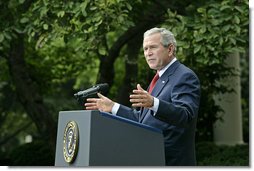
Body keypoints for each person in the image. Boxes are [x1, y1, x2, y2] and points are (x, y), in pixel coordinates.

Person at [84, 27, 201, 166]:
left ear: (170, 49)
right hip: (149, 160)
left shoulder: (184, 76)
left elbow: (185, 115)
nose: (148, 53)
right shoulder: (159, 78)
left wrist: (153, 103)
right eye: (145, 49)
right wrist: (113, 107)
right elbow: (142, 121)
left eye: (152, 47)